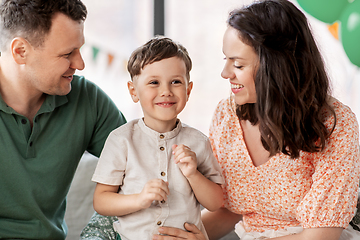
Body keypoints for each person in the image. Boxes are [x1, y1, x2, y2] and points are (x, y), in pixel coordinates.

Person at [81, 0, 360, 239]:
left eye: (238, 64)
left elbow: (322, 234)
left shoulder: (336, 125)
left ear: (277, 66)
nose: (225, 73)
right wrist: (187, 233)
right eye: (225, 60)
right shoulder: (228, 115)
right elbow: (229, 209)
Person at [0, 0, 126, 239]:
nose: (80, 64)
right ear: (20, 51)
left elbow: (143, 167)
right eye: (68, 53)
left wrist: (100, 233)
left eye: (79, 49)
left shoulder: (88, 100)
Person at [90, 36, 224, 240]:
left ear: (188, 90)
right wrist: (140, 199)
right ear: (133, 91)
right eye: (154, 82)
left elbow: (216, 203)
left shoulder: (199, 142)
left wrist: (193, 174)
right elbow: (101, 201)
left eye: (176, 82)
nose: (166, 91)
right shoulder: (121, 140)